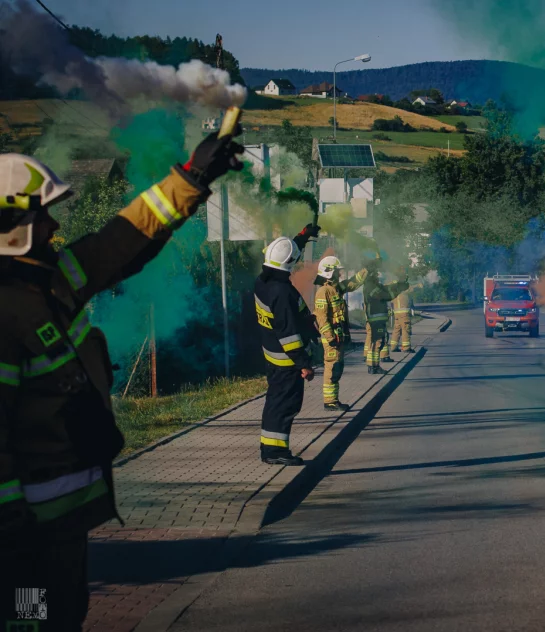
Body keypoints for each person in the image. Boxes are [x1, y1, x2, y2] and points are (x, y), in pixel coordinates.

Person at [0, 128, 244, 630]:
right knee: (30, 621)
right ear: (11, 223)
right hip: (23, 537)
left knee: (64, 616)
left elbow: (123, 241)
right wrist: (10, 526)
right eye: (41, 214)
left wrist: (191, 178)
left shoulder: (46, 282)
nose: (53, 225)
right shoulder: (6, 309)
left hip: (57, 524)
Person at [255, 225, 320, 466]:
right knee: (284, 405)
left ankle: (270, 448)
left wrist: (301, 239)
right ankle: (274, 452)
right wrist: (303, 363)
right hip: (286, 360)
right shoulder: (281, 292)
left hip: (274, 355)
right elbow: (288, 333)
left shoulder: (263, 281)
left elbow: (284, 255)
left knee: (276, 402)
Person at [312, 257, 368, 410]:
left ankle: (334, 400)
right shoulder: (323, 292)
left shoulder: (335, 288)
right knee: (332, 367)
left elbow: (353, 283)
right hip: (331, 339)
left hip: (338, 336)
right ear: (329, 272)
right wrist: (330, 338)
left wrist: (366, 270)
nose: (339, 274)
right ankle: (329, 402)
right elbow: (321, 318)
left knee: (338, 367)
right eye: (337, 271)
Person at [362, 268, 409, 374]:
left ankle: (373, 366)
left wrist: (399, 285)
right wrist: (397, 290)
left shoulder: (373, 286)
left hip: (377, 318)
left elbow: (386, 288)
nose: (378, 278)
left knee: (379, 342)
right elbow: (385, 295)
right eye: (376, 276)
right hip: (376, 319)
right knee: (377, 343)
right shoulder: (371, 287)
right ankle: (373, 367)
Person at [390, 283, 420, 354]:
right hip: (404, 315)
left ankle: (393, 347)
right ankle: (406, 348)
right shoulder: (403, 291)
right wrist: (417, 285)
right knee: (406, 330)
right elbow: (410, 289)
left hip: (397, 314)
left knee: (396, 330)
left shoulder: (394, 294)